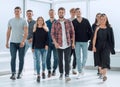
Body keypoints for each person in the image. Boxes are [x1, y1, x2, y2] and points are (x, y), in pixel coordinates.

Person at [51, 7, 75, 82]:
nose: (61, 13)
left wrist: (73, 43)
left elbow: (73, 32)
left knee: (67, 60)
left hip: (68, 44)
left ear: (64, 13)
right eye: (60, 12)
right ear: (58, 13)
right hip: (58, 44)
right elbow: (52, 34)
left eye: (62, 12)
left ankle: (67, 74)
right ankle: (61, 73)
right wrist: (55, 43)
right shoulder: (55, 23)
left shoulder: (68, 22)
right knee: (60, 60)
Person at [6, 6, 28, 80]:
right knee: (13, 58)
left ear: (20, 12)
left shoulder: (24, 21)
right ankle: (13, 73)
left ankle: (20, 73)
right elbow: (8, 32)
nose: (17, 12)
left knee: (21, 59)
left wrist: (23, 41)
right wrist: (7, 41)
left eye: (18, 11)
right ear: (14, 12)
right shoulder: (10, 21)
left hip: (21, 43)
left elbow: (26, 32)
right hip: (12, 43)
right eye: (15, 11)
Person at [92, 13, 115, 81]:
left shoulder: (109, 28)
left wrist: (111, 48)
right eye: (101, 19)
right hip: (98, 46)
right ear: (100, 19)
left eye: (104, 19)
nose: (102, 20)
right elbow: (94, 38)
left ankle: (104, 75)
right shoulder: (97, 27)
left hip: (106, 46)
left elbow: (112, 39)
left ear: (106, 19)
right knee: (98, 61)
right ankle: (101, 73)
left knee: (105, 60)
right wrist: (93, 46)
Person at [72, 8, 93, 78]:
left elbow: (91, 30)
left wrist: (89, 38)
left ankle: (82, 67)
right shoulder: (73, 21)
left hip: (84, 41)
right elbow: (72, 33)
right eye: (77, 12)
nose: (78, 13)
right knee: (78, 57)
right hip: (76, 42)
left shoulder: (86, 21)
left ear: (81, 12)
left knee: (85, 56)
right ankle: (80, 72)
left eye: (79, 12)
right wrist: (73, 42)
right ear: (75, 13)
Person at [32, 17, 49, 82]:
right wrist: (33, 47)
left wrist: (47, 45)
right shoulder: (35, 29)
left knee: (43, 61)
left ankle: (43, 72)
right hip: (37, 48)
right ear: (37, 21)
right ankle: (38, 75)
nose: (40, 21)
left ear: (43, 21)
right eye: (39, 20)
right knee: (38, 61)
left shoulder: (46, 29)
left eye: (41, 20)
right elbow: (34, 39)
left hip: (44, 48)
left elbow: (48, 38)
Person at [46, 9, 58, 78]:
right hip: (48, 43)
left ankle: (54, 70)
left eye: (52, 13)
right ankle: (49, 70)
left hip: (55, 43)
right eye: (50, 13)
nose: (51, 14)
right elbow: (44, 33)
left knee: (56, 58)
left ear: (55, 13)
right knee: (48, 57)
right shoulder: (46, 22)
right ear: (48, 13)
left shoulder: (57, 22)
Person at [24, 10, 36, 74]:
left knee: (35, 56)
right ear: (26, 15)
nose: (29, 15)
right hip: (25, 41)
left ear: (32, 14)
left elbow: (37, 32)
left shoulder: (35, 22)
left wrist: (32, 38)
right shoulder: (24, 22)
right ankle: (21, 71)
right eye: (28, 14)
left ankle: (35, 71)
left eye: (30, 14)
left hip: (32, 41)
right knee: (22, 56)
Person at [68, 8, 77, 75]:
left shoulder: (77, 20)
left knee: (76, 55)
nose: (73, 13)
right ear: (70, 12)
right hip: (69, 41)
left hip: (77, 41)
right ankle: (68, 67)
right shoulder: (68, 20)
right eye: (72, 12)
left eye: (74, 12)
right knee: (69, 55)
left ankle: (74, 68)